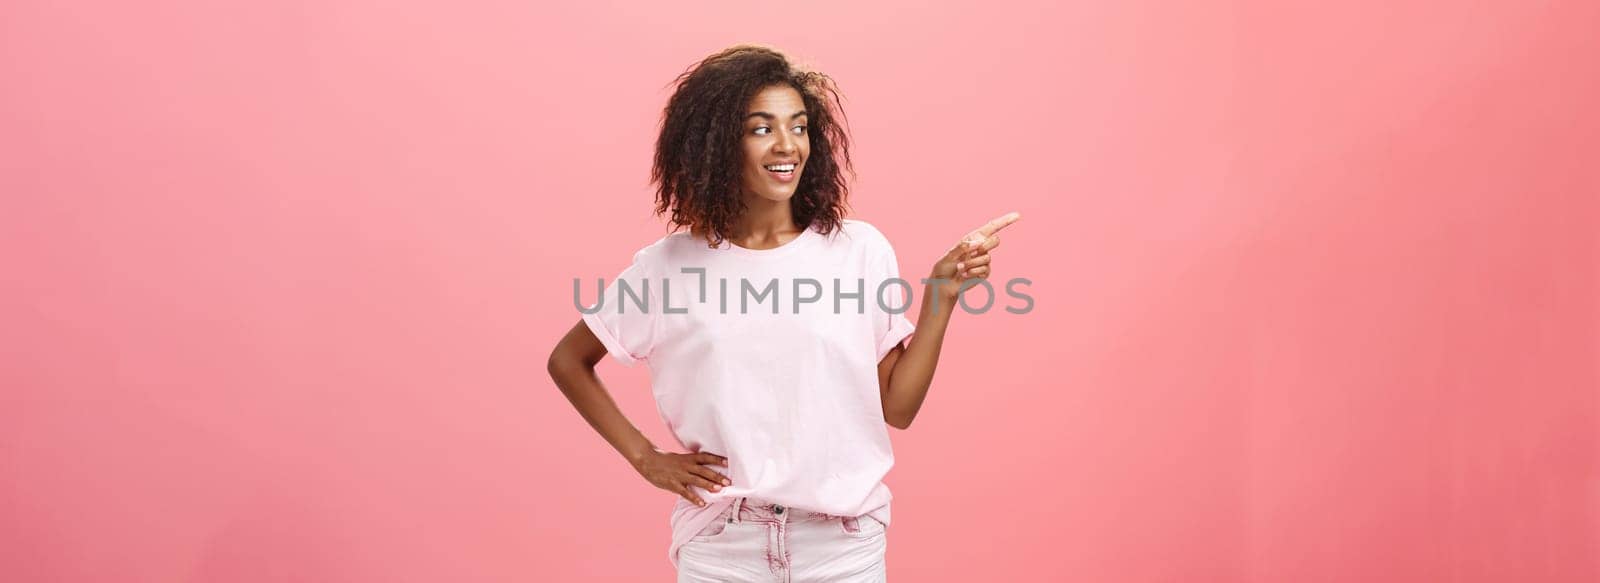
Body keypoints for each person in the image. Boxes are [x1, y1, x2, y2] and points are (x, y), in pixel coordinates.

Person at [546, 44, 1020, 582]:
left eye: (798, 126)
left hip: (841, 547)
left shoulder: (858, 251)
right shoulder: (667, 267)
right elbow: (569, 360)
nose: (788, 145)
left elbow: (898, 408)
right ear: (717, 145)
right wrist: (645, 457)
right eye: (761, 128)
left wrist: (940, 297)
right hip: (724, 546)